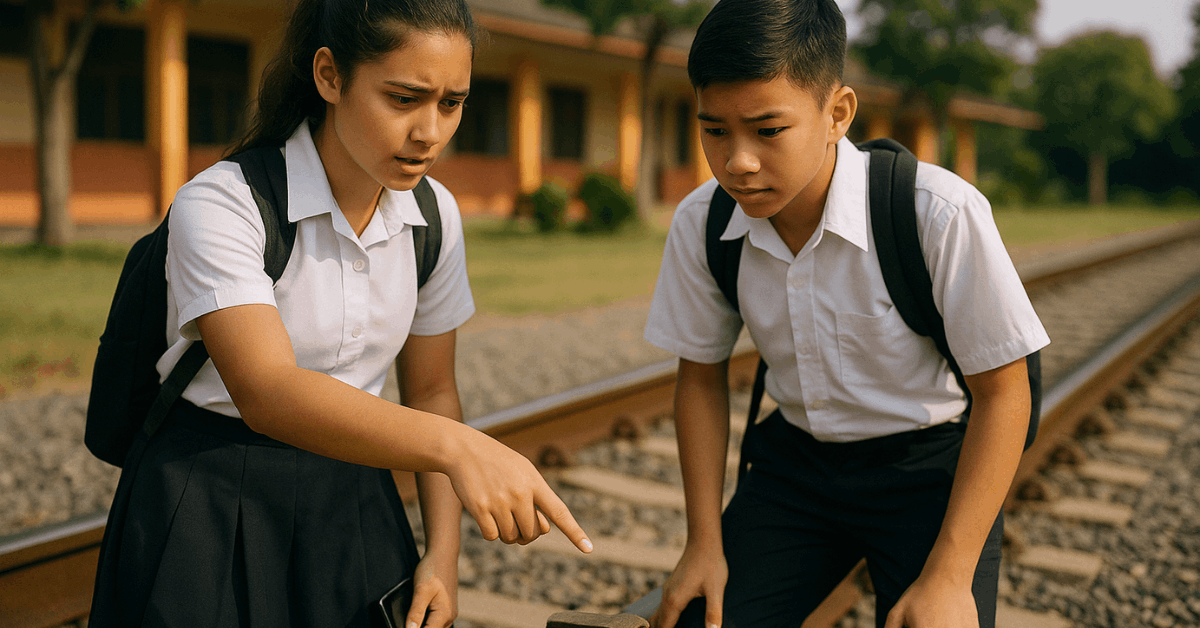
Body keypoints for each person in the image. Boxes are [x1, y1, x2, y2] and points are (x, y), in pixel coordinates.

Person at [88, 1, 592, 626]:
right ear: (329, 76)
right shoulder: (225, 203)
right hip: (210, 498)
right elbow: (267, 391)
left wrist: (443, 552)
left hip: (352, 497)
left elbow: (432, 389)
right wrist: (460, 450)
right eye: (403, 98)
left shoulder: (433, 217)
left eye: (451, 103)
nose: (429, 132)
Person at [642, 1, 1049, 627]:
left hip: (929, 472)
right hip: (796, 473)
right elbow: (699, 378)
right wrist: (704, 542)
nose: (737, 161)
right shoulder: (704, 222)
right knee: (701, 618)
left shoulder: (936, 213)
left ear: (837, 114)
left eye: (767, 130)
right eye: (715, 131)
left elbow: (1004, 394)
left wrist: (949, 571)